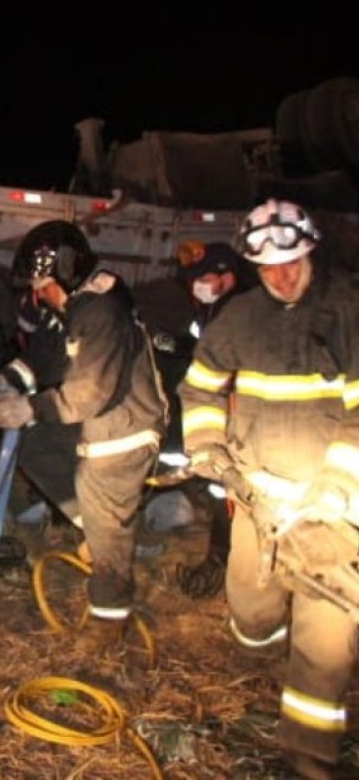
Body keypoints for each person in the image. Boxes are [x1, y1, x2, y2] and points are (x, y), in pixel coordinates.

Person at [178, 199, 358, 779]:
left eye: (293, 262)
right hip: (259, 499)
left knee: (324, 643)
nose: (282, 276)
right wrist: (208, 448)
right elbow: (200, 388)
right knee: (252, 613)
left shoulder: (349, 310)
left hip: (331, 508)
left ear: (310, 252)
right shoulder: (239, 319)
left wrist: (335, 487)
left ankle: (308, 758)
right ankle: (267, 664)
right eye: (269, 266)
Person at [0, 220, 168, 634]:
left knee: (104, 526)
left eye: (43, 283)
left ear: (67, 272)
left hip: (124, 433)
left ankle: (107, 629)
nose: (38, 294)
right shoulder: (70, 311)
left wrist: (29, 408)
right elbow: (44, 359)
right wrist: (8, 381)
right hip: (99, 424)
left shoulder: (102, 311)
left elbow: (88, 394)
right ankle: (99, 525)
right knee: (33, 446)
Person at [161, 240, 258, 597]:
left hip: (240, 412)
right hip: (219, 405)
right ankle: (223, 554)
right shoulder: (212, 308)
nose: (194, 286)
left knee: (230, 492)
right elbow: (202, 347)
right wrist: (175, 345)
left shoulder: (245, 310)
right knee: (221, 490)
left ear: (226, 276)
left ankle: (226, 560)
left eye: (201, 279)